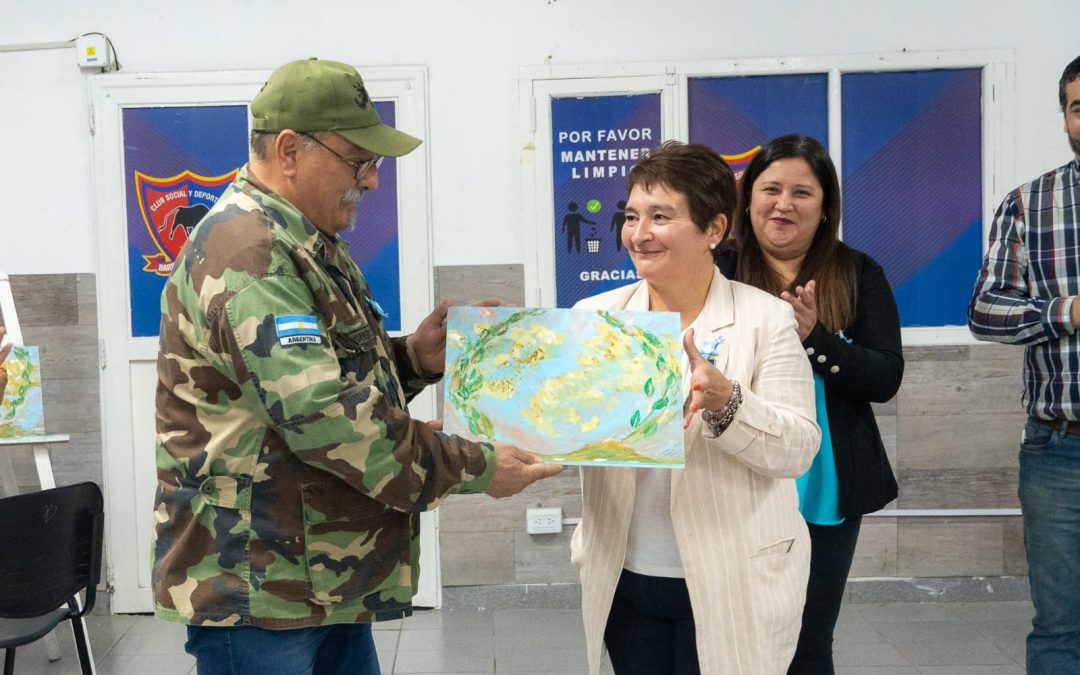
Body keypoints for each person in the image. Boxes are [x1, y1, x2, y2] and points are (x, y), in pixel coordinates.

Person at [151, 58, 563, 675]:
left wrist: (413, 359)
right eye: (358, 160)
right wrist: (478, 467)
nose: (371, 181)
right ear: (290, 150)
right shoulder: (249, 251)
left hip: (315, 576)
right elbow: (324, 418)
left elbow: (321, 377)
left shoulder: (304, 241)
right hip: (260, 585)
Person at [571, 141, 821, 674]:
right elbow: (573, 431)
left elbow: (799, 447)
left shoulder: (765, 319)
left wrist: (730, 402)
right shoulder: (596, 319)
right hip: (628, 577)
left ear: (714, 230)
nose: (639, 233)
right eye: (633, 216)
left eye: (661, 216)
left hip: (734, 577)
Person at [715, 134, 903, 675]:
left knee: (806, 641)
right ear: (747, 200)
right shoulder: (716, 271)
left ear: (824, 209)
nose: (783, 203)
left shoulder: (857, 271)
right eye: (770, 188)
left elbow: (885, 376)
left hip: (824, 482)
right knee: (731, 636)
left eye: (802, 192)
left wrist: (816, 336)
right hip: (733, 477)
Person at [969, 54, 1080, 674]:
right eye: (1078, 105)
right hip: (1062, 452)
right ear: (1065, 116)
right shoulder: (1030, 204)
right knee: (1061, 628)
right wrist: (1067, 309)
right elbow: (985, 311)